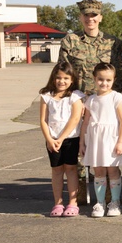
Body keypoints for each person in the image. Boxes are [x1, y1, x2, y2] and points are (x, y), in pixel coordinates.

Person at [59, 0, 119, 206]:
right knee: (78, 149)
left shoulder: (112, 42)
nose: (90, 19)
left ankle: (110, 197)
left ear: (100, 17)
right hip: (78, 103)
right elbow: (63, 73)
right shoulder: (71, 41)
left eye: (94, 15)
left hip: (104, 106)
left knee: (106, 148)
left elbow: (117, 75)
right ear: (80, 17)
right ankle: (78, 195)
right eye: (86, 15)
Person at [80, 62, 122, 218]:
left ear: (114, 80)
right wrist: (82, 143)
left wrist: (121, 142)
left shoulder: (117, 98)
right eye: (100, 79)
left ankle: (115, 202)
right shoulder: (91, 100)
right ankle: (100, 203)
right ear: (94, 79)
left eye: (108, 80)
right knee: (99, 170)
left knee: (113, 170)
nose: (104, 83)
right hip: (95, 141)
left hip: (111, 140)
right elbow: (85, 123)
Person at [39, 62, 84, 217]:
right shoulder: (46, 96)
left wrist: (62, 138)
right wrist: (49, 139)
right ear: (53, 78)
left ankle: (73, 203)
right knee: (57, 170)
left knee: (71, 169)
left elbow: (75, 118)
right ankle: (58, 203)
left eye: (66, 78)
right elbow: (43, 120)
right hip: (52, 140)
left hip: (70, 139)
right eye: (58, 77)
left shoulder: (75, 96)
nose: (62, 81)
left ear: (72, 80)